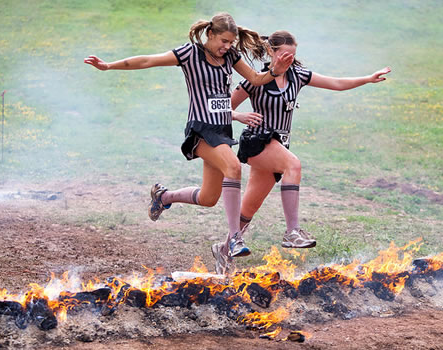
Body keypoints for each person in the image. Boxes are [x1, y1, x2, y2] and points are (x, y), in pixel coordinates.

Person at [84, 14, 294, 275]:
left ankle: (164, 196)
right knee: (234, 168)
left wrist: (275, 71)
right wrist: (109, 66)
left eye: (231, 42)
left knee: (208, 198)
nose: (227, 46)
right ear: (210, 35)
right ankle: (233, 239)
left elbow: (256, 78)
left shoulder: (230, 57)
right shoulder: (189, 54)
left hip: (222, 131)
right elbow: (149, 60)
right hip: (200, 131)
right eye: (224, 41)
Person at [231, 30, 390, 254]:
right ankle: (292, 232)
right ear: (271, 51)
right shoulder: (256, 79)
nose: (288, 60)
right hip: (258, 142)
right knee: (293, 165)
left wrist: (367, 78)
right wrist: (239, 116)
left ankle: (226, 246)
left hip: (279, 146)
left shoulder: (299, 75)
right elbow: (221, 108)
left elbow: (335, 83)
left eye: (292, 55)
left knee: (249, 208)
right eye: (283, 55)